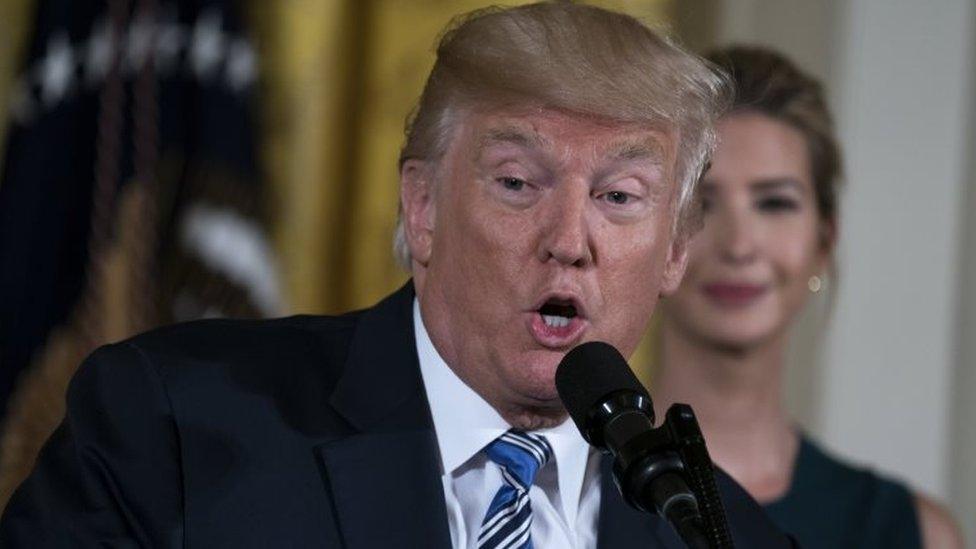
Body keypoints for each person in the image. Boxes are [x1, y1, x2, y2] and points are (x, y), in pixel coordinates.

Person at [0, 5, 794, 548]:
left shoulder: (724, 534)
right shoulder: (173, 428)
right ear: (422, 209)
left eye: (619, 197)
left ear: (676, 252)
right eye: (518, 183)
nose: (569, 241)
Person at [653, 45, 964, 548]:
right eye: (702, 202)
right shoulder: (556, 491)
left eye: (775, 203)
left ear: (824, 241)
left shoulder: (912, 532)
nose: (738, 245)